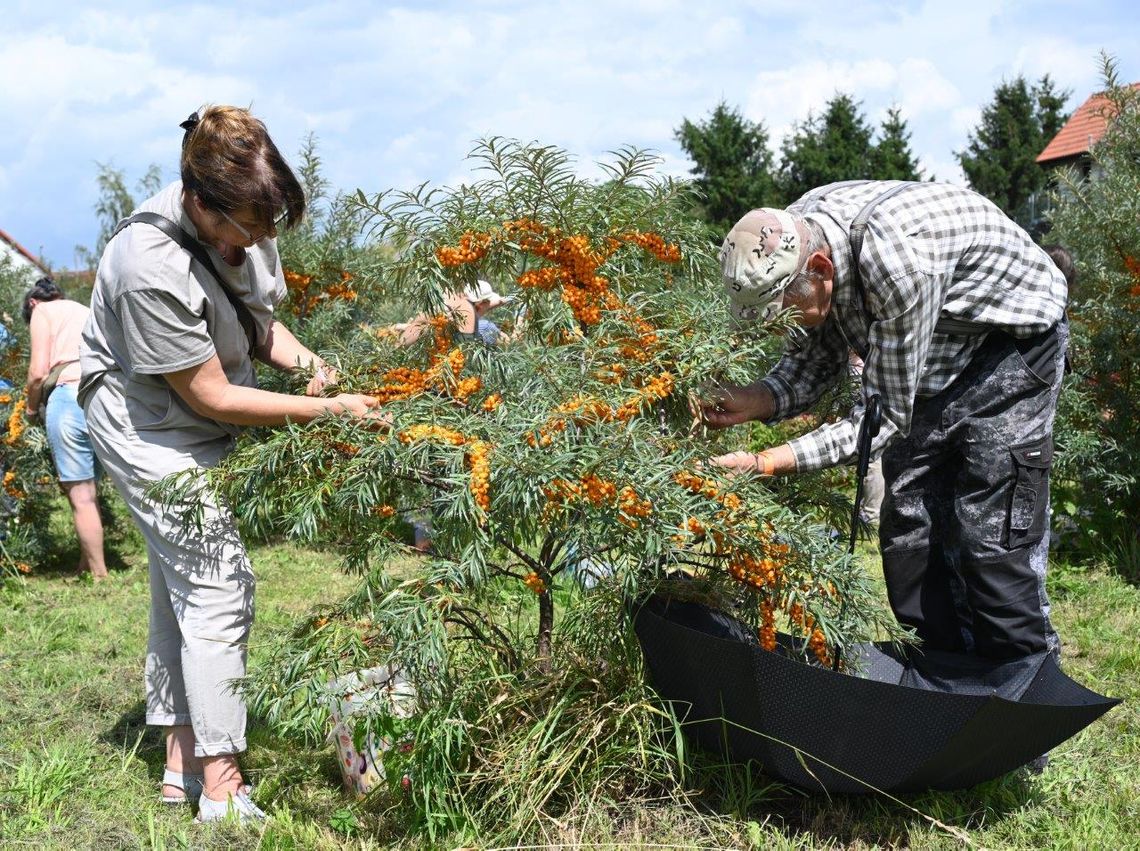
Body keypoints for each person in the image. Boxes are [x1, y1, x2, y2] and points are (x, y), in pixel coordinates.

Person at [79, 105, 381, 822]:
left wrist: (320, 372)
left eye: (268, 225)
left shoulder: (253, 221)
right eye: (247, 228)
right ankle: (222, 787)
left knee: (180, 584)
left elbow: (262, 328)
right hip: (143, 424)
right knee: (217, 581)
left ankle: (180, 764)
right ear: (198, 200)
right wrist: (331, 412)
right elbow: (212, 395)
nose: (260, 241)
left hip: (193, 414)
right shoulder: (146, 265)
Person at [705, 180, 1069, 671]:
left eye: (781, 312)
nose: (779, 327)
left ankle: (1022, 697)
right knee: (908, 529)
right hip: (935, 354)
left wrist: (766, 461)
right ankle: (940, 682)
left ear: (820, 269)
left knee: (990, 536)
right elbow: (814, 361)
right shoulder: (796, 232)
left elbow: (880, 420)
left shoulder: (899, 265)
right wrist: (753, 399)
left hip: (1010, 343)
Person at [23, 277, 108, 581]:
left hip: (69, 394)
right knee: (91, 489)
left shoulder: (42, 312)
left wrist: (31, 410)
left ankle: (99, 575)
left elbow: (37, 373)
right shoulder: (83, 308)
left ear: (33, 302)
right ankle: (86, 563)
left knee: (81, 495)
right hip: (103, 394)